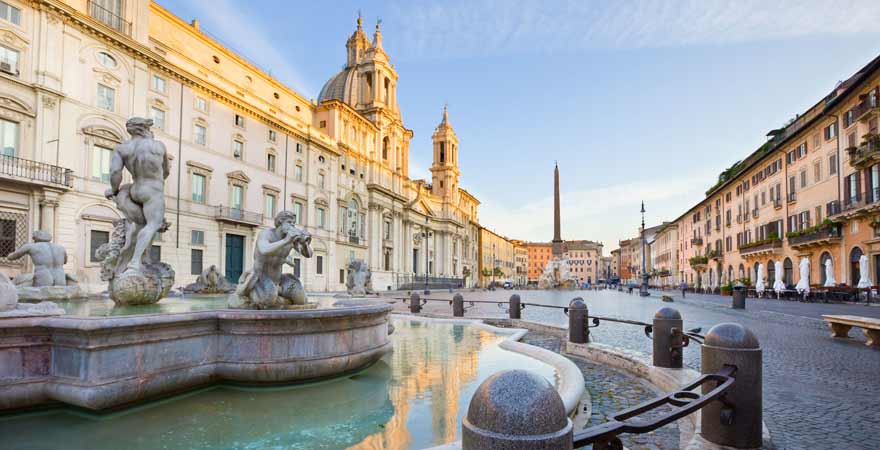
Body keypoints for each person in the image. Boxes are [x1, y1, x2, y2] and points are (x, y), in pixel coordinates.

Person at [104, 118, 170, 273]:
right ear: (146, 129)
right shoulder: (159, 146)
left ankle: (125, 260)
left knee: (139, 226)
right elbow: (166, 171)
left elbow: (115, 172)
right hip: (152, 190)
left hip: (134, 189)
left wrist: (114, 190)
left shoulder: (122, 148)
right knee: (153, 224)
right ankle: (134, 263)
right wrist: (155, 179)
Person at [237, 211, 312, 307]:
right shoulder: (266, 234)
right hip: (261, 278)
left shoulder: (292, 239)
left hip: (279, 280)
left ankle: (279, 293)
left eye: (293, 223)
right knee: (269, 298)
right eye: (289, 222)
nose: (292, 226)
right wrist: (285, 241)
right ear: (280, 221)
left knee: (300, 298)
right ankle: (254, 291)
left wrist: (305, 244)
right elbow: (264, 249)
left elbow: (308, 254)